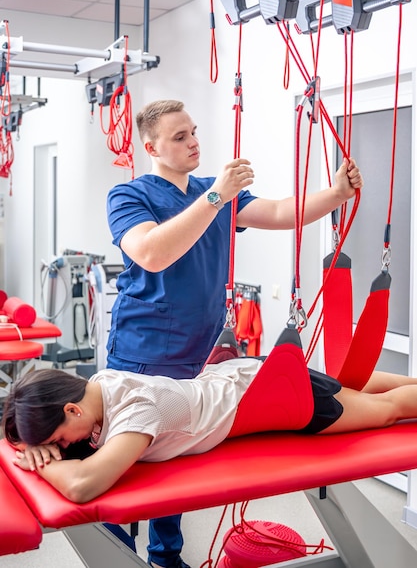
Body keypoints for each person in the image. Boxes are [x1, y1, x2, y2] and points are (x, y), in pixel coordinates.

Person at [105, 99, 363, 567]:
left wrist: (336, 194)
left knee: (175, 459)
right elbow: (151, 253)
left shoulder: (213, 192)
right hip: (142, 350)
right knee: (125, 461)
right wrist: (215, 197)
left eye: (194, 132)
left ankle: (167, 557)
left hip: (196, 354)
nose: (193, 142)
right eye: (180, 136)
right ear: (151, 147)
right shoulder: (131, 196)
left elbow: (283, 210)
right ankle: (114, 555)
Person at [4, 361, 417, 507]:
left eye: (59, 439)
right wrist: (35, 442)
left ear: (72, 409)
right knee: (357, 395)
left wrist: (39, 465)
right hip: (248, 378)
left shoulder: (136, 411)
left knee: (385, 412)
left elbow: (83, 486)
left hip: (276, 396)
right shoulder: (98, 383)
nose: (65, 446)